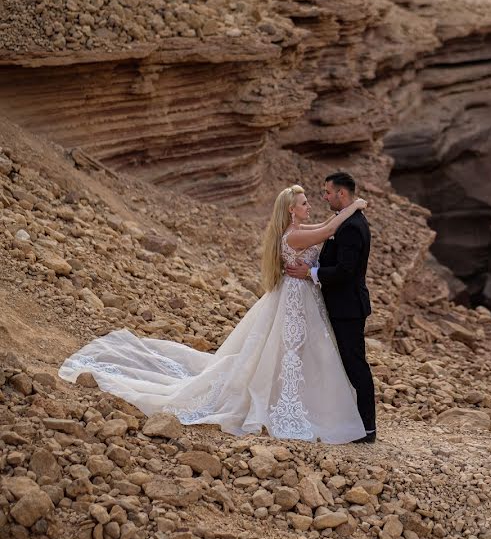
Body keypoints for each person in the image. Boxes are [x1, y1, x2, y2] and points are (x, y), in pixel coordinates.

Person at [58, 185, 368, 443]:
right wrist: (353, 207)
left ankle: (300, 400)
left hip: (301, 297)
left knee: (289, 353)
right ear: (291, 210)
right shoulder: (294, 236)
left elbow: (323, 230)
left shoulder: (298, 230)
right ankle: (287, 403)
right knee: (285, 351)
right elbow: (328, 230)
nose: (309, 206)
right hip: (294, 299)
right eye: (304, 203)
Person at [285, 172, 376, 443]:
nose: (322, 197)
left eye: (327, 192)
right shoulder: (345, 222)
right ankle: (347, 419)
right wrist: (355, 206)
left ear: (341, 194)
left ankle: (366, 428)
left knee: (355, 364)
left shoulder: (351, 227)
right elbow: (326, 229)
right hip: (334, 305)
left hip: (348, 308)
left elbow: (346, 270)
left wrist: (312, 272)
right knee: (339, 362)